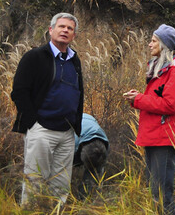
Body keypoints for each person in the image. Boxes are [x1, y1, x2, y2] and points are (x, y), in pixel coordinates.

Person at [11, 13, 84, 206]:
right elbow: (19, 91)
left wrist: (75, 125)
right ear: (51, 30)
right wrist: (33, 121)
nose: (65, 31)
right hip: (41, 130)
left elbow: (78, 93)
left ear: (74, 35)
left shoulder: (74, 61)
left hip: (67, 133)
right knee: (35, 181)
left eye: (69, 28)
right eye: (61, 26)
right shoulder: (35, 57)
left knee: (60, 186)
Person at [124, 24, 175, 215]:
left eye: (153, 40)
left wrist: (139, 99)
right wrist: (138, 98)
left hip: (164, 137)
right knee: (156, 190)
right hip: (155, 135)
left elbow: (170, 105)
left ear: (164, 44)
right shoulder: (162, 69)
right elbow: (158, 100)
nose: (149, 44)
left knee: (162, 192)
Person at [74, 113, 109, 198]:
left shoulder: (105, 145)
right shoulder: (72, 141)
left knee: (94, 172)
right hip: (75, 120)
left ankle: (84, 198)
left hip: (88, 121)